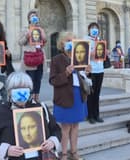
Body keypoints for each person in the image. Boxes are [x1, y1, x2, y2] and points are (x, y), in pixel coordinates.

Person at [0, 71, 61, 160]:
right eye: (16, 88)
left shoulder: (41, 108)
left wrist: (52, 142)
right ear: (9, 92)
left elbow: (56, 130)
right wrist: (7, 150)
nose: (21, 91)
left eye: (24, 87)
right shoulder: (1, 113)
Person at [50, 31, 90, 160]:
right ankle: (64, 154)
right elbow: (53, 80)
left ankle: (74, 152)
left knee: (76, 126)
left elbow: (82, 78)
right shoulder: (57, 59)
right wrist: (66, 73)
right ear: (62, 43)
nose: (71, 43)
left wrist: (87, 72)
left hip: (78, 96)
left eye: (73, 40)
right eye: (68, 40)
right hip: (64, 97)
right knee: (65, 127)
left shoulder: (79, 56)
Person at [18, 9, 47, 102]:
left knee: (38, 79)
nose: (34, 17)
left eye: (35, 16)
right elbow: (20, 42)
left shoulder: (40, 29)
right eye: (32, 16)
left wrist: (42, 33)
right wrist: (27, 35)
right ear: (29, 19)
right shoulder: (25, 29)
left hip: (40, 58)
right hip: (30, 58)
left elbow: (45, 41)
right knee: (30, 80)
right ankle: (30, 99)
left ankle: (36, 99)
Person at [84, 22, 104, 124]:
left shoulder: (100, 40)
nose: (94, 30)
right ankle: (90, 115)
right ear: (89, 30)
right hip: (91, 70)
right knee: (91, 94)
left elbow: (101, 54)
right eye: (92, 28)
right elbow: (88, 55)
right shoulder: (86, 40)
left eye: (96, 28)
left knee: (97, 94)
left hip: (100, 69)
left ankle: (97, 114)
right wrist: (96, 47)